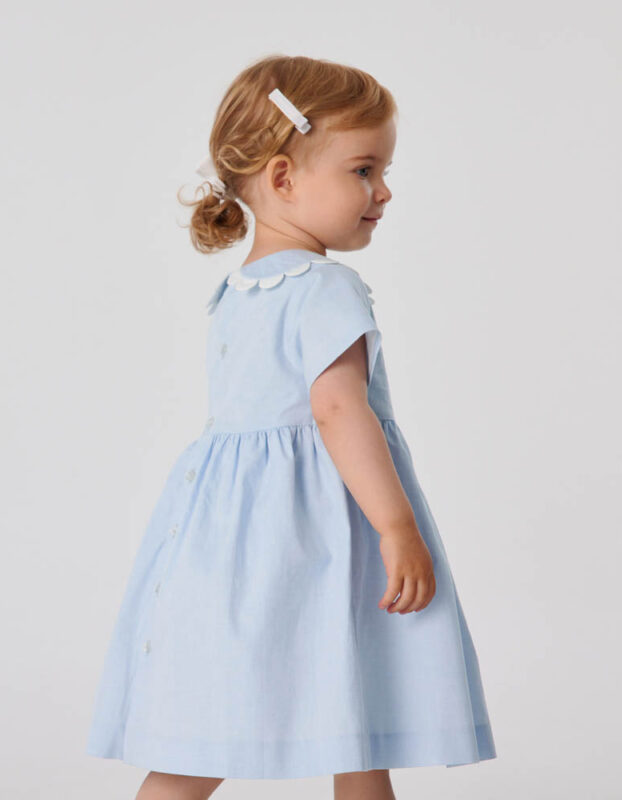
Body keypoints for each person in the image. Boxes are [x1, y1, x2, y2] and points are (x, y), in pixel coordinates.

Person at [85, 54, 497, 799]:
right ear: (282, 178)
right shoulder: (326, 286)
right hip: (317, 539)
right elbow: (338, 409)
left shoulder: (237, 291)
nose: (384, 190)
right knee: (357, 703)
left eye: (384, 171)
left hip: (233, 540)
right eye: (364, 170)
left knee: (219, 728)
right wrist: (396, 525)